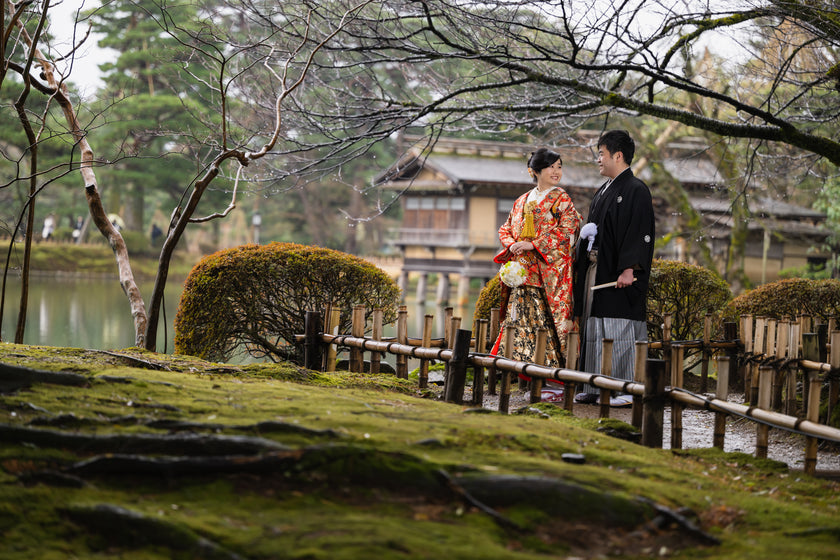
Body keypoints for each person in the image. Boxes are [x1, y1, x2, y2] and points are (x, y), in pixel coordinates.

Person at [572, 130, 655, 407]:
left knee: (619, 328)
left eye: (601, 154)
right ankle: (594, 385)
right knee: (595, 326)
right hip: (599, 268)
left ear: (617, 156)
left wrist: (630, 268)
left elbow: (639, 233)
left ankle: (625, 389)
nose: (598, 160)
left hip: (620, 274)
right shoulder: (604, 190)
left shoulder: (636, 189)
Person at [491, 147, 581, 371]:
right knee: (519, 317)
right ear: (535, 170)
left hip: (547, 271)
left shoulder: (561, 198)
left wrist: (534, 244)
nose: (556, 171)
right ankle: (518, 368)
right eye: (551, 166)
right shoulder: (522, 200)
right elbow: (506, 227)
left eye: (559, 167)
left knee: (545, 321)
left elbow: (568, 228)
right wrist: (512, 244)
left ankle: (549, 371)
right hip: (523, 271)